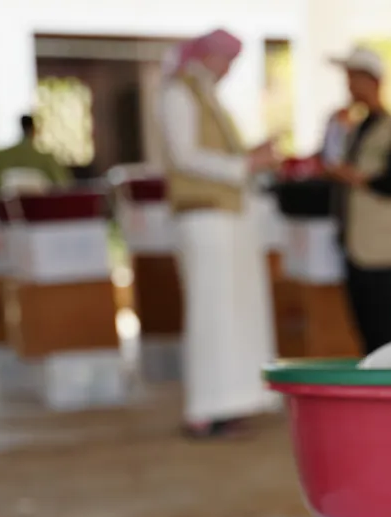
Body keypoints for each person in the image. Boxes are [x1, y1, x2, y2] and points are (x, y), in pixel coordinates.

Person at [156, 29, 279, 439]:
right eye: (226, 61)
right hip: (203, 218)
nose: (228, 70)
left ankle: (230, 401)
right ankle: (205, 408)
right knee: (211, 315)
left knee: (231, 314)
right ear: (207, 57)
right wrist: (245, 165)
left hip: (228, 218)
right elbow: (185, 156)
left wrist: (250, 160)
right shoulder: (178, 94)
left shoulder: (205, 96)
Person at [323, 45, 391, 355]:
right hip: (357, 242)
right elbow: (328, 159)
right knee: (365, 320)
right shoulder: (356, 128)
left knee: (382, 320)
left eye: (354, 78)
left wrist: (355, 177)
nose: (349, 86)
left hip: (380, 243)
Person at [0, 114, 71, 194]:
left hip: (7, 212)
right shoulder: (47, 160)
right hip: (43, 211)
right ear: (35, 131)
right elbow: (62, 188)